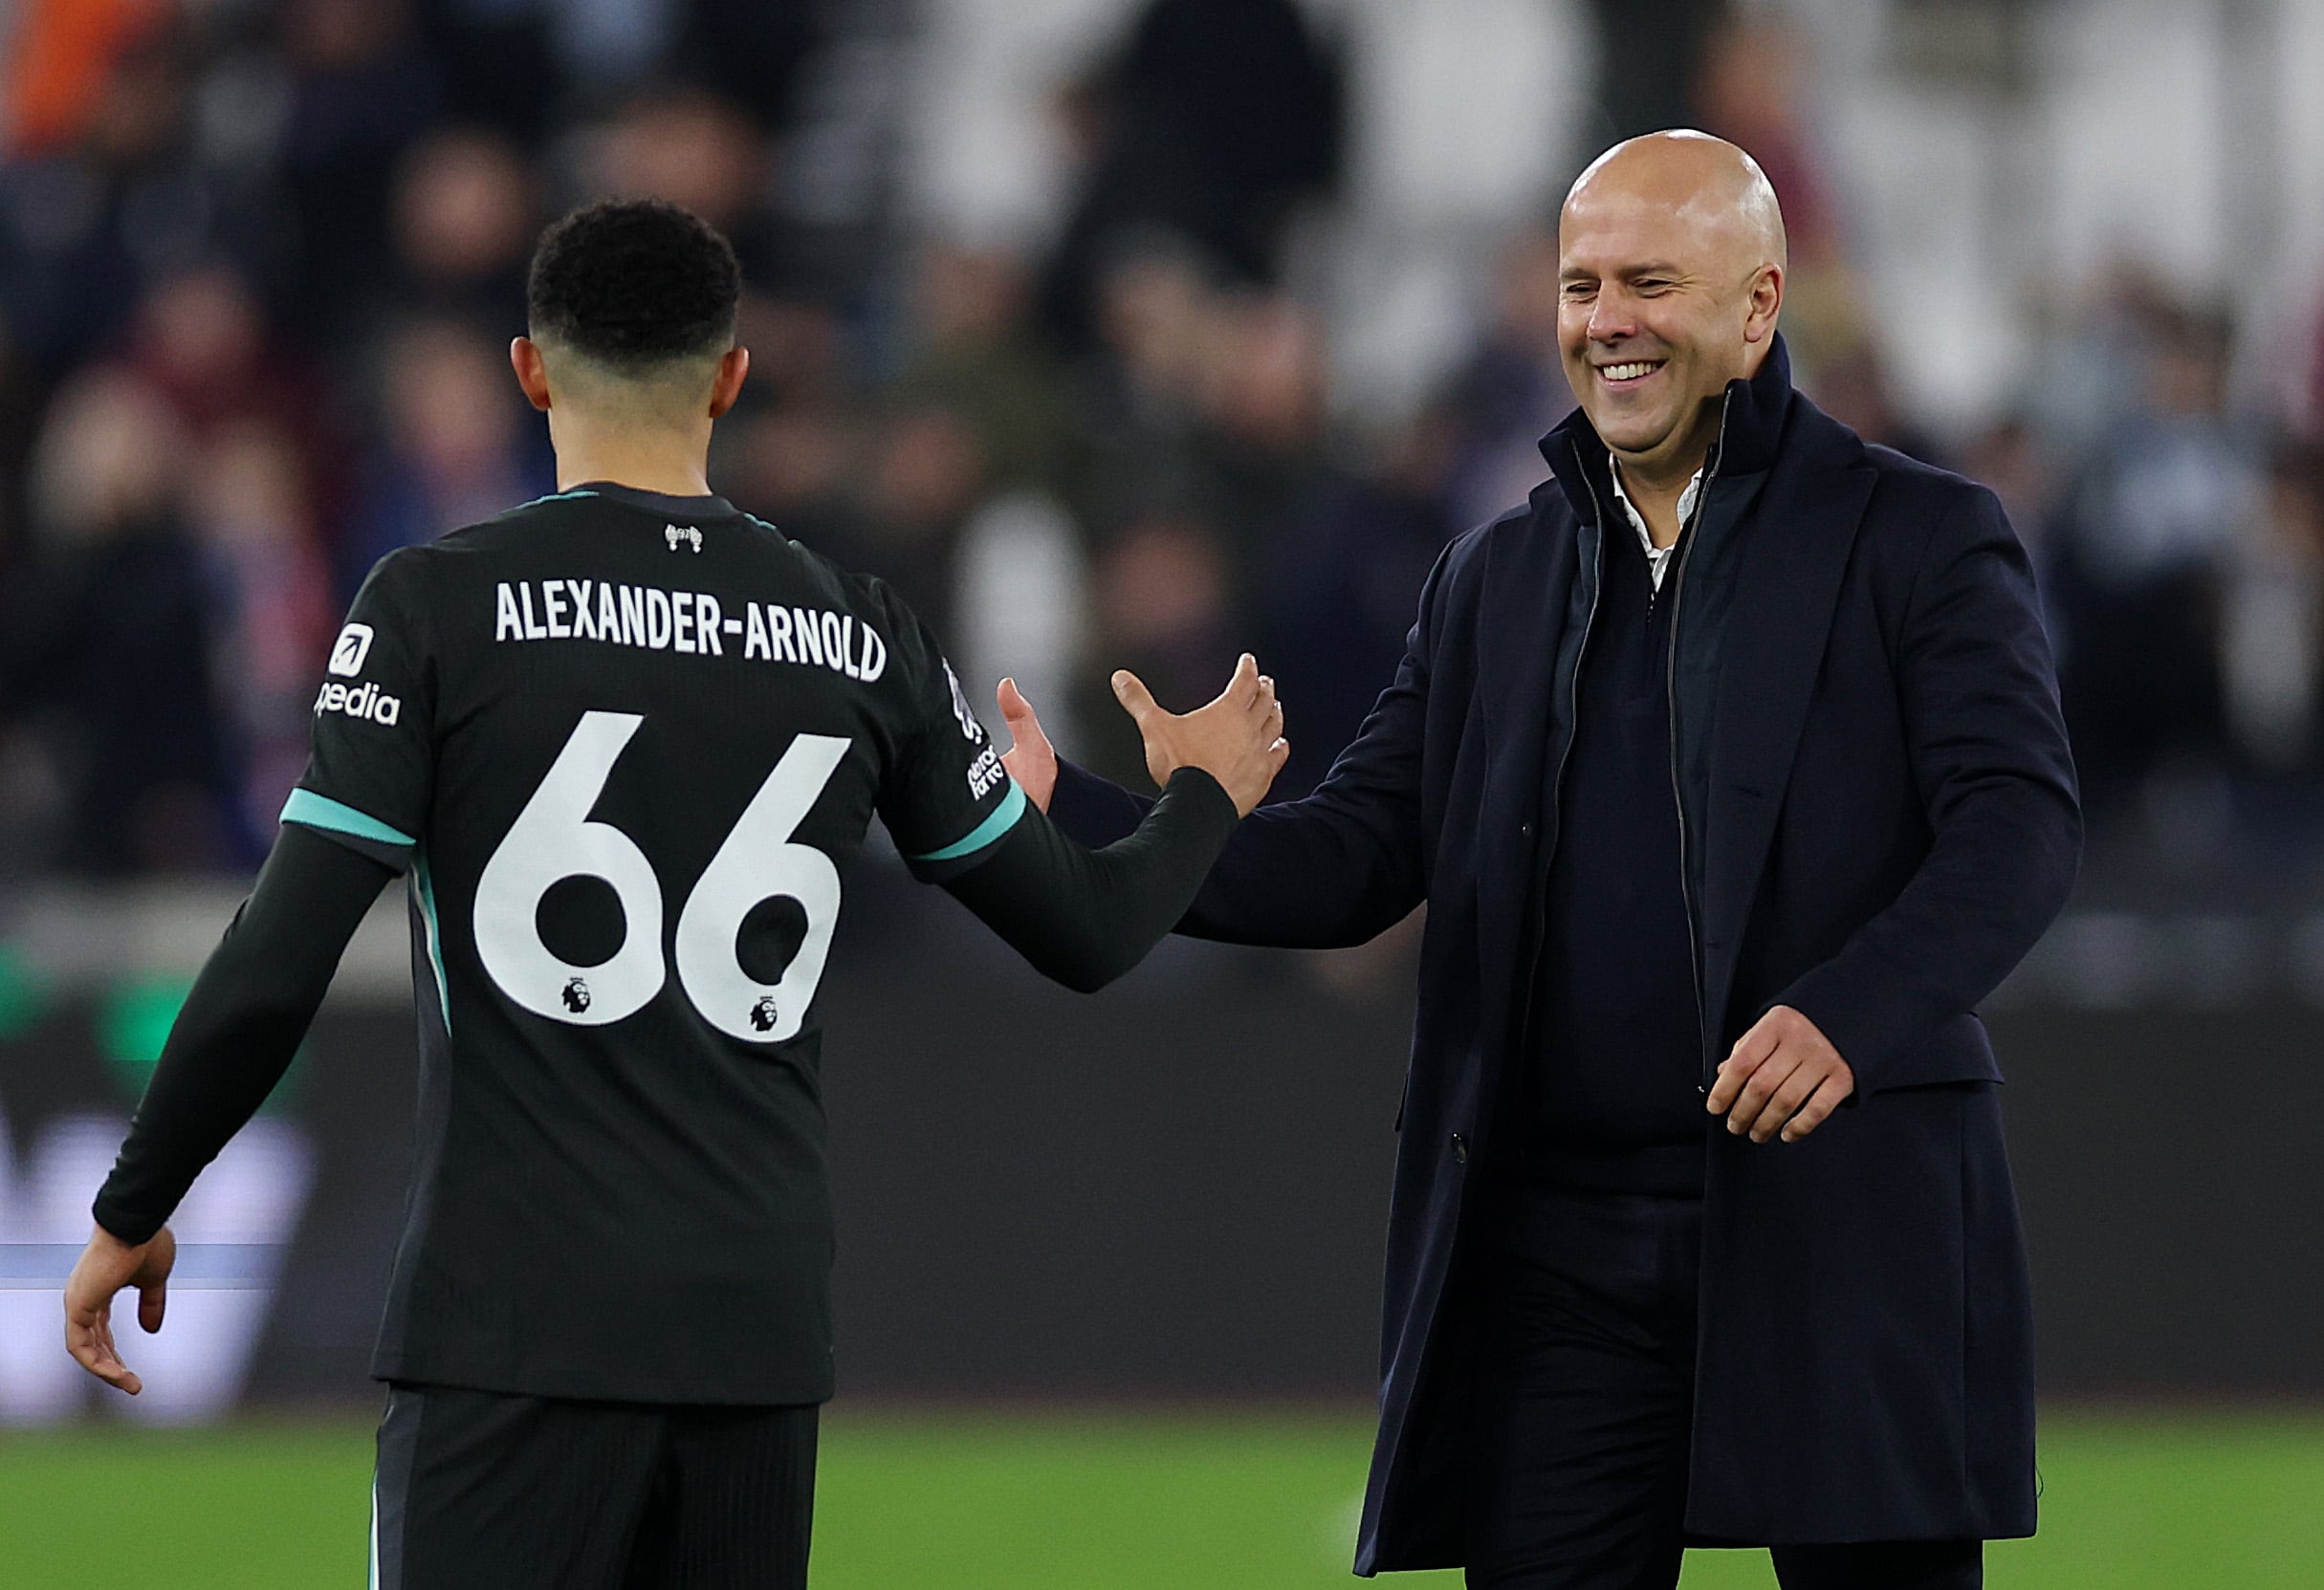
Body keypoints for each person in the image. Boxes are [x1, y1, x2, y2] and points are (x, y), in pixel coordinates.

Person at [61, 198, 1288, 1590]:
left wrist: (132, 1202)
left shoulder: (432, 608)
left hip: (512, 1326)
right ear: (731, 376)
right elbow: (1088, 929)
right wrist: (1205, 796)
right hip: (749, 1338)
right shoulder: (857, 629)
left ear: (530, 372)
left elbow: (279, 954)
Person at [1000, 132, 2079, 1588]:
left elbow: (2016, 826)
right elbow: (1354, 861)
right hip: (1561, 1247)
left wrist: (1849, 1013)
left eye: (1650, 281)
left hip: (1840, 1218)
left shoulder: (1922, 538)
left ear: (1758, 309)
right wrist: (1066, 806)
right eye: (1579, 286)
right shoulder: (1492, 575)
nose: (1605, 320)